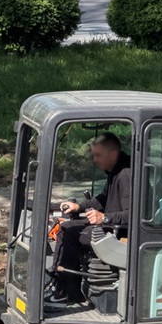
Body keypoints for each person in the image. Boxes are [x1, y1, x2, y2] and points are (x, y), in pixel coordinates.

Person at [45, 132, 131, 307]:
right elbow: (103, 198)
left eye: (98, 155)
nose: (95, 160)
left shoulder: (126, 175)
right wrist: (80, 207)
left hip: (118, 230)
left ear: (112, 154)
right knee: (66, 226)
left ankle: (66, 292)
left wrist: (104, 217)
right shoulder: (115, 171)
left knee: (69, 233)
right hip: (109, 224)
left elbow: (133, 215)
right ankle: (65, 286)